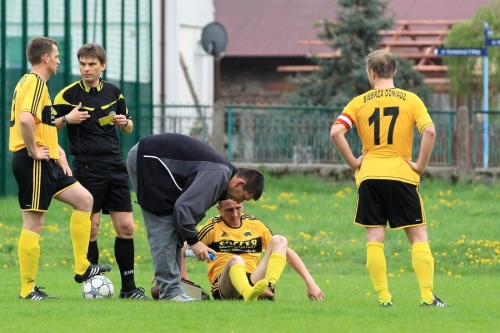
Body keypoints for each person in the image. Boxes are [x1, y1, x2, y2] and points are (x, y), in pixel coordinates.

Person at [330, 49, 445, 307]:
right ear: (393, 72)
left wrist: (353, 162)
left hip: (370, 176)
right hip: (402, 175)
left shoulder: (358, 102)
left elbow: (336, 132)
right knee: (417, 237)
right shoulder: (411, 99)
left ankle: (384, 298)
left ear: (371, 73)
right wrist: (420, 166)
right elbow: (430, 132)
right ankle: (427, 297)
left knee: (374, 238)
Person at [9, 36, 111, 300]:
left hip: (50, 161)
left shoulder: (35, 84)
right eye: (56, 56)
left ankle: (82, 266)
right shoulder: (34, 82)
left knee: (84, 199)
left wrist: (58, 152)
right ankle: (27, 290)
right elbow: (24, 120)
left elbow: (42, 125)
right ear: (45, 58)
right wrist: (33, 150)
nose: (58, 60)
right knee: (34, 223)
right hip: (33, 161)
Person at [52, 43, 148, 299]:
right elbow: (46, 126)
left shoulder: (115, 92)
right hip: (86, 165)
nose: (86, 68)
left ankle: (129, 289)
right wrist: (67, 120)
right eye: (82, 64)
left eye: (91, 64)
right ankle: (90, 284)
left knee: (127, 227)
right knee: (92, 227)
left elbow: (128, 127)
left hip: (115, 165)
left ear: (102, 66)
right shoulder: (67, 95)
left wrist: (124, 122)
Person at [126, 133, 265, 302]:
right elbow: (184, 208)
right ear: (240, 183)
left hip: (152, 158)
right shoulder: (218, 175)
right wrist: (194, 242)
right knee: (163, 223)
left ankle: (171, 286)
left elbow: (188, 213)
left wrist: (182, 244)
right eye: (243, 197)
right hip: (149, 159)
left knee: (172, 227)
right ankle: (170, 292)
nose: (238, 202)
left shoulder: (222, 177)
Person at [196, 199, 325, 301]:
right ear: (219, 209)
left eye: (238, 208)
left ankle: (267, 286)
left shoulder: (254, 224)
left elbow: (286, 251)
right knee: (236, 259)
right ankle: (248, 293)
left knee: (279, 240)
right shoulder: (212, 227)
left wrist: (310, 283)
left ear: (242, 204)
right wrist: (184, 280)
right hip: (226, 287)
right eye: (229, 210)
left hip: (254, 280)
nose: (235, 214)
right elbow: (183, 246)